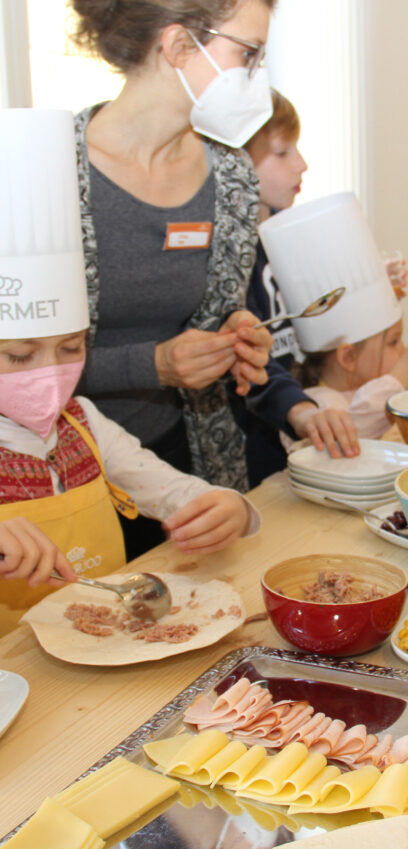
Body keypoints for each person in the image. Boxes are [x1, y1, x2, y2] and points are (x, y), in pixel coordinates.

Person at [0, 109, 258, 636]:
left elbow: (175, 492)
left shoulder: (83, 423)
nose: (49, 374)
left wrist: (229, 507)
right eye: (20, 356)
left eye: (70, 348)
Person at [70, 0, 276, 556]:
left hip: (186, 471)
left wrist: (236, 335)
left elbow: (217, 310)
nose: (258, 76)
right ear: (179, 45)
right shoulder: (51, 172)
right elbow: (16, 363)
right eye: (248, 54)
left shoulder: (231, 173)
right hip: (62, 480)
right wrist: (155, 364)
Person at [237, 90, 360, 486]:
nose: (301, 165)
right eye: (283, 152)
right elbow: (255, 358)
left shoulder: (282, 239)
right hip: (253, 451)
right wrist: (299, 410)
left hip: (289, 436)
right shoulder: (232, 260)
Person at [256, 193, 408, 444]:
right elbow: (350, 431)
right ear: (348, 357)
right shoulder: (319, 402)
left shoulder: (376, 384)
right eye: (393, 342)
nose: (403, 352)